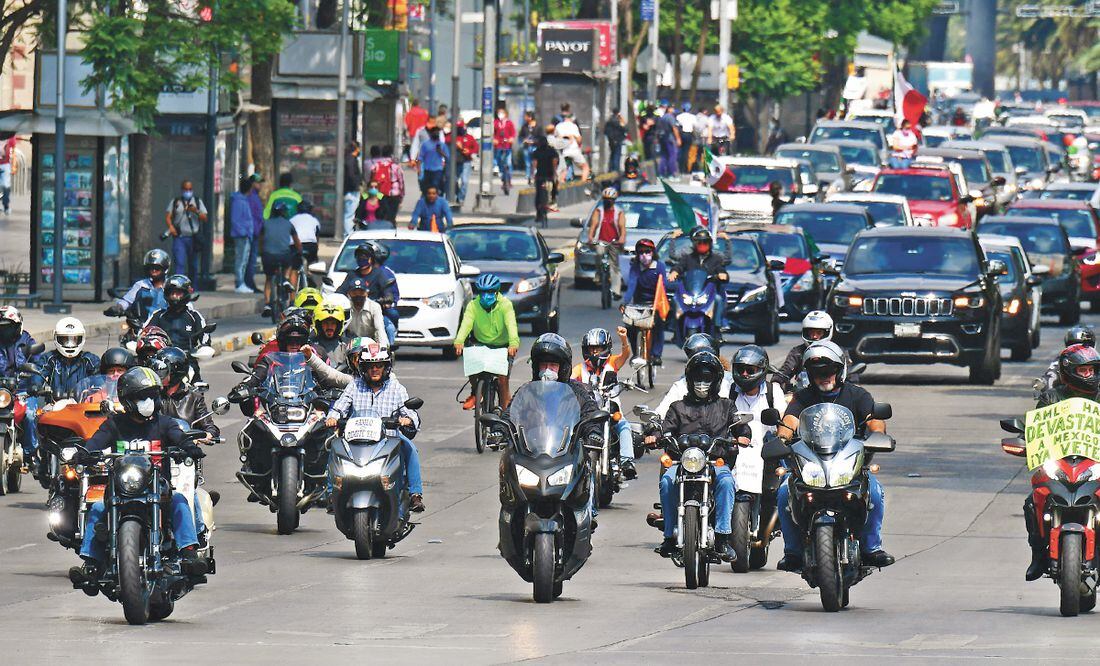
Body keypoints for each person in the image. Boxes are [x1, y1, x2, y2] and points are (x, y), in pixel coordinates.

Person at [67, 366, 207, 587]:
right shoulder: (115, 424)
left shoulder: (164, 423)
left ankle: (189, 553)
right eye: (143, 397)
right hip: (120, 488)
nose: (148, 401)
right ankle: (91, 564)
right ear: (128, 400)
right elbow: (95, 442)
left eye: (152, 395)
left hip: (157, 487)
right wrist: (83, 454)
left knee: (179, 501)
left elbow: (179, 437)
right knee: (97, 508)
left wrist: (188, 447)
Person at [775, 341, 894, 571]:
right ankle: (793, 552)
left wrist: (877, 434)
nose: (824, 377)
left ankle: (871, 548)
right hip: (813, 464)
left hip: (848, 464)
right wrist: (781, 438)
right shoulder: (803, 397)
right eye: (817, 373)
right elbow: (790, 421)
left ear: (840, 371)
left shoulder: (857, 395)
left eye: (829, 371)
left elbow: (874, 419)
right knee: (783, 492)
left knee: (876, 492)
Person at [649, 351, 750, 560]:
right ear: (689, 379)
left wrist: (743, 436)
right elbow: (665, 428)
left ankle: (722, 537)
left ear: (716, 380)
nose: (702, 383)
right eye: (697, 378)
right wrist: (654, 436)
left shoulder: (726, 406)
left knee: (726, 482)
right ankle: (669, 537)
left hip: (715, 461)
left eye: (707, 378)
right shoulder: (677, 407)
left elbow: (739, 426)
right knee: (667, 481)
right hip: (682, 461)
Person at [1026, 344, 1100, 580]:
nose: (1088, 375)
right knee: (1032, 501)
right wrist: (1025, 440)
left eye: (1091, 370)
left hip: (1093, 462)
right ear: (1068, 372)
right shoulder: (1050, 397)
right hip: (1059, 464)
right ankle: (1038, 554)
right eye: (1083, 370)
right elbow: (1036, 432)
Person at [325, 340, 425, 512]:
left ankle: (415, 495)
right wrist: (332, 418)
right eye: (370, 366)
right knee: (335, 447)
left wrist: (407, 420)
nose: (375, 370)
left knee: (411, 449)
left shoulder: (396, 388)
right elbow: (339, 407)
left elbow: (410, 413)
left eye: (379, 365)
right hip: (356, 439)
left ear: (386, 367)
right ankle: (331, 493)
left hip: (389, 439)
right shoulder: (354, 386)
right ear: (363, 368)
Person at [571, 327, 637, 480]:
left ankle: (627, 462)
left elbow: (625, 355)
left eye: (598, 348)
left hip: (610, 408)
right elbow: (570, 380)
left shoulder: (612, 363)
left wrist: (624, 339)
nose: (595, 352)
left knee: (624, 426)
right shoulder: (580, 369)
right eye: (592, 349)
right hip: (588, 412)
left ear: (606, 348)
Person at [728, 345, 787, 496]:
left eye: (750, 370)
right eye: (741, 370)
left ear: (762, 370)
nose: (745, 374)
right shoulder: (729, 390)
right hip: (735, 450)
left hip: (767, 453)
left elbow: (783, 418)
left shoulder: (773, 391)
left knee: (787, 485)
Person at [455, 274, 520, 410]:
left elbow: (511, 324)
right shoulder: (473, 305)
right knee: (472, 364)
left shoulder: (505, 305)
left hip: (503, 346)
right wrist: (459, 340)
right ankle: (475, 393)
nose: (486, 295)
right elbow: (466, 323)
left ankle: (504, 415)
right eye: (483, 292)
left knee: (503, 380)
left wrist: (513, 343)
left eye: (490, 292)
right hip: (481, 343)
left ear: (497, 292)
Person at [667, 227, 729, 339]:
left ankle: (718, 326)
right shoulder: (688, 257)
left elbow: (721, 269)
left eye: (705, 242)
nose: (702, 244)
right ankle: (674, 324)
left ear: (710, 243)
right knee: (675, 299)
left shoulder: (715, 258)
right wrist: (674, 272)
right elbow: (679, 266)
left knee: (718, 300)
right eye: (699, 242)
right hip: (692, 293)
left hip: (708, 293)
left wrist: (722, 274)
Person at [655, 333, 733, 417]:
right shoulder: (682, 384)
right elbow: (662, 411)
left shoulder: (730, 382)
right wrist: (655, 420)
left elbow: (742, 415)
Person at [0, 306, 41, 459]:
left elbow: (39, 365)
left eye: (9, 327)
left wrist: (35, 382)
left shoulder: (27, 341)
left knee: (30, 415)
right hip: (2, 390)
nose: (5, 331)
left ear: (18, 326)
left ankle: (31, 454)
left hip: (23, 389)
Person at [622, 238, 669, 367]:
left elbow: (662, 286)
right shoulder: (635, 268)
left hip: (656, 303)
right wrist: (625, 302)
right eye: (641, 252)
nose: (644, 255)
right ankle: (636, 353)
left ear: (653, 252)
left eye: (647, 251)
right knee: (629, 326)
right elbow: (631, 286)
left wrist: (658, 305)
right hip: (639, 303)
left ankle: (656, 354)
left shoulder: (660, 267)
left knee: (659, 325)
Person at [144, 275, 209, 354]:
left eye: (178, 293)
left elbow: (205, 337)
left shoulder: (194, 316)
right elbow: (145, 332)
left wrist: (204, 347)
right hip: (163, 360)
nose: (174, 296)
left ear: (185, 293)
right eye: (172, 293)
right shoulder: (159, 315)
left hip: (187, 361)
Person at [259, 200, 302, 319]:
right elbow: (297, 242)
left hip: (268, 256)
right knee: (289, 264)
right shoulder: (288, 224)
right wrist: (300, 251)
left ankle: (267, 304)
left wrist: (262, 252)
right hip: (284, 256)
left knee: (268, 279)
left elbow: (261, 240)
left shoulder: (265, 223)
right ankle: (286, 279)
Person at [38, 317, 99, 400]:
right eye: (65, 340)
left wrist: (98, 387)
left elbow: (100, 376)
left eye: (74, 339)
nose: (70, 344)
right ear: (57, 338)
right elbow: (38, 373)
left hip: (82, 406)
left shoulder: (89, 360)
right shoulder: (50, 359)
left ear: (82, 339)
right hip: (54, 406)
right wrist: (35, 385)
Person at [774, 310, 834, 392]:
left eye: (819, 332)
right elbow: (786, 369)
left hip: (831, 396)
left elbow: (848, 375)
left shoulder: (836, 352)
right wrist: (776, 382)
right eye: (811, 332)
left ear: (827, 332)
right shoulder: (798, 352)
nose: (814, 336)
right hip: (803, 396)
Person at [105, 249, 170, 321]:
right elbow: (127, 301)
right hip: (142, 325)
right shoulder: (141, 285)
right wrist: (119, 308)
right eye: (151, 268)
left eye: (157, 268)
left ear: (165, 269)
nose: (153, 270)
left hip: (166, 324)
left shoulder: (170, 285)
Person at [586, 188, 627, 299]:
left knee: (614, 267)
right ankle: (599, 274)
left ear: (614, 200)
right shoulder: (599, 211)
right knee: (599, 253)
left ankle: (616, 291)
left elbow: (622, 228)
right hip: (601, 240)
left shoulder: (619, 212)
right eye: (605, 199)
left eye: (610, 200)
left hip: (614, 242)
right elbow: (593, 225)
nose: (608, 202)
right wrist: (590, 237)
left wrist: (622, 238)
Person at [165, 179, 208, 283]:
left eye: (189, 189)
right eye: (185, 189)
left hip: (193, 238)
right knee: (180, 263)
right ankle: (179, 285)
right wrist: (170, 226)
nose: (187, 191)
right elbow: (168, 216)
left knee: (193, 265)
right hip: (180, 237)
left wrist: (196, 211)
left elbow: (205, 218)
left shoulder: (197, 202)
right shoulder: (176, 202)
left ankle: (193, 287)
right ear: (182, 190)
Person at [343, 277, 391, 346]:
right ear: (349, 294)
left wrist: (384, 347)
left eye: (361, 292)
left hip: (370, 344)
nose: (358, 295)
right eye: (354, 293)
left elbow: (379, 329)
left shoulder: (374, 307)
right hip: (350, 344)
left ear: (366, 293)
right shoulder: (345, 306)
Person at [229, 177, 257, 293]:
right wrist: (244, 233)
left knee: (244, 260)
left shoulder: (243, 200)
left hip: (245, 235)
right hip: (242, 236)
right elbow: (236, 220)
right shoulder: (239, 201)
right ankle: (239, 283)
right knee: (240, 261)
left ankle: (241, 283)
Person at [554, 110, 590, 182]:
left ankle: (562, 187)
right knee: (585, 167)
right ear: (572, 118)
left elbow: (556, 139)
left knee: (564, 171)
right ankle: (582, 184)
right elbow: (579, 140)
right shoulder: (573, 126)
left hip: (564, 152)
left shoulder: (558, 126)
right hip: (574, 150)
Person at [372, 145, 404, 222]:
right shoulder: (395, 166)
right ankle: (391, 229)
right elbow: (401, 181)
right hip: (394, 194)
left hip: (380, 194)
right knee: (392, 216)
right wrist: (401, 195)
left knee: (382, 214)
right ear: (391, 153)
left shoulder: (377, 165)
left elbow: (372, 179)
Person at [244, 173, 265, 292]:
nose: (260, 185)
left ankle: (249, 281)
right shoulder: (250, 197)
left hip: (256, 232)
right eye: (258, 183)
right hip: (251, 233)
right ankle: (248, 282)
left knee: (251, 259)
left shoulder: (255, 196)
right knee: (249, 260)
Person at [416, 122, 449, 196]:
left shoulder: (442, 145)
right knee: (425, 189)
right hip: (427, 170)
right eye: (434, 132)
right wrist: (419, 170)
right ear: (430, 134)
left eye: (437, 132)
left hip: (438, 170)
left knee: (435, 187)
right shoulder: (425, 144)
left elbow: (447, 157)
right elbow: (420, 157)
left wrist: (440, 152)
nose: (436, 134)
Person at [311, 302, 349, 367]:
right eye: (326, 323)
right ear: (319, 325)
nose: (329, 327)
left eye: (333, 323)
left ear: (338, 325)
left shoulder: (347, 345)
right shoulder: (311, 346)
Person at [533, 135, 559, 225]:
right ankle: (553, 200)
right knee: (554, 188)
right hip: (549, 176)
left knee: (538, 195)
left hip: (540, 176)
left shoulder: (536, 152)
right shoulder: (552, 151)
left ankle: (538, 213)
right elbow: (555, 162)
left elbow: (535, 164)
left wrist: (533, 174)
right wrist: (554, 172)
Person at [454, 121, 480, 207]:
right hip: (455, 162)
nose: (460, 129)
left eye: (461, 127)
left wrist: (469, 151)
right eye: (458, 128)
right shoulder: (453, 136)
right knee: (454, 180)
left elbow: (476, 148)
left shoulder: (469, 137)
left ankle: (461, 198)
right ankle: (457, 195)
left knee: (464, 181)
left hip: (466, 161)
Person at [493, 104, 516, 195]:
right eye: (499, 113)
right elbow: (493, 133)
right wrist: (494, 139)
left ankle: (509, 180)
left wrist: (511, 138)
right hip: (498, 146)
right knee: (499, 163)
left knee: (508, 163)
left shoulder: (509, 123)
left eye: (502, 113)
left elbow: (513, 133)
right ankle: (503, 179)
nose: (500, 114)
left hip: (507, 146)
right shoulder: (495, 122)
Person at [290, 199, 321, 266]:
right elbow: (317, 235)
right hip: (311, 245)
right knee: (312, 263)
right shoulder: (314, 220)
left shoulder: (292, 219)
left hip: (295, 245)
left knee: (294, 267)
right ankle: (310, 273)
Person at [343, 141, 363, 237]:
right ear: (356, 149)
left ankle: (347, 232)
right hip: (351, 191)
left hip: (349, 190)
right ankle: (348, 234)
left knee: (349, 214)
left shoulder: (347, 158)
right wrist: (357, 185)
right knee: (349, 215)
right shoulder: (351, 160)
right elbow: (351, 175)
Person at [656, 102, 682, 177]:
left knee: (664, 156)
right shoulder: (670, 117)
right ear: (669, 109)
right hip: (670, 139)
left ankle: (661, 173)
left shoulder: (663, 117)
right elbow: (674, 128)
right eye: (672, 108)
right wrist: (678, 139)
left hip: (663, 139)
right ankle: (672, 173)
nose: (673, 110)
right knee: (672, 156)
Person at [519, 111, 540, 184]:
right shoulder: (524, 126)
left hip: (535, 146)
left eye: (526, 116)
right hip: (526, 147)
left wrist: (534, 141)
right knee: (527, 162)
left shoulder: (538, 126)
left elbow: (541, 137)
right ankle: (528, 176)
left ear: (530, 117)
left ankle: (534, 175)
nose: (525, 118)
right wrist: (524, 140)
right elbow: (521, 135)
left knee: (534, 162)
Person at [603, 109, 627, 174]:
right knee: (617, 155)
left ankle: (610, 169)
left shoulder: (609, 121)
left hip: (611, 141)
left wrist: (610, 138)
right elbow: (625, 129)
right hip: (618, 140)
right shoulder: (619, 121)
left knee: (612, 155)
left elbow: (605, 131)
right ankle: (616, 170)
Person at [676, 103, 696, 173]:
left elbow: (677, 126)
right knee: (686, 152)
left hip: (681, 134)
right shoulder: (693, 117)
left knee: (680, 152)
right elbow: (694, 127)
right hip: (689, 134)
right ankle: (686, 169)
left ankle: (680, 168)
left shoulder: (678, 116)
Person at [0, 133, 16, 214]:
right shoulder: (9, 134)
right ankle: (6, 207)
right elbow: (13, 147)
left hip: (5, 164)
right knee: (6, 186)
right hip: (5, 164)